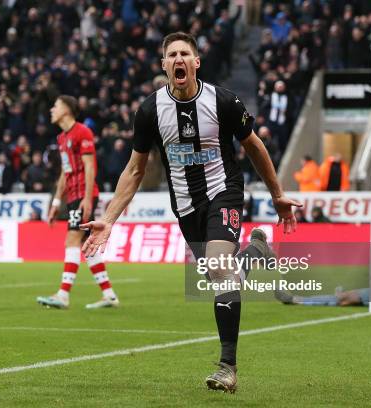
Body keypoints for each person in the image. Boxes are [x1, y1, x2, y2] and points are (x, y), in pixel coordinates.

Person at [80, 32, 301, 393]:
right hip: (185, 204)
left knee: (217, 266)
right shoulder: (150, 111)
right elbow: (134, 170)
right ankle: (255, 252)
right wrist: (109, 217)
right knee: (223, 278)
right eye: (172, 55)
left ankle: (227, 367)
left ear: (196, 62)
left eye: (185, 53)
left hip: (223, 191)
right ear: (164, 65)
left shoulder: (224, 102)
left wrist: (277, 195)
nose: (178, 59)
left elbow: (255, 147)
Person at [36, 95, 119, 310]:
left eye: (55, 106)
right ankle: (109, 295)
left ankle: (63, 295)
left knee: (71, 241)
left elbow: (90, 167)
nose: (51, 110)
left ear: (66, 109)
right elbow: (66, 172)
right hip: (72, 196)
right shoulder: (62, 139)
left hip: (83, 195)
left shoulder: (83, 132)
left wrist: (87, 199)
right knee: (87, 246)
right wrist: (56, 202)